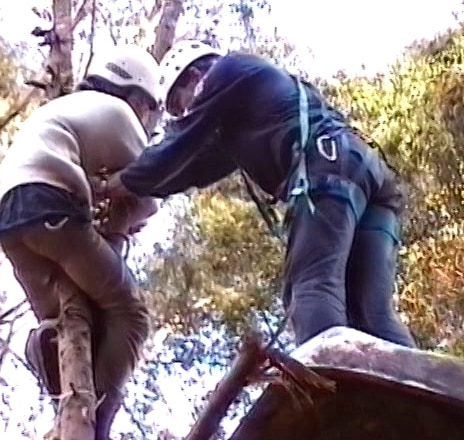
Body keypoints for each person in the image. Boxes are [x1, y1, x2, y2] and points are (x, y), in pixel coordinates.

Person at [97, 40, 417, 348]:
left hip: (329, 168)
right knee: (371, 313)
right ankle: (425, 395)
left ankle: (336, 393)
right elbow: (189, 169)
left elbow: (176, 147)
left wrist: (116, 183)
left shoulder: (226, 70)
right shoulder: (240, 118)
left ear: (194, 77)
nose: (189, 114)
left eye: (183, 105)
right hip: (367, 178)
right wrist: (139, 189)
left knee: (312, 287)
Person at [0, 44, 162, 440]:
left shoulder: (65, 112)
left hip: (13, 222)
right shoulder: (118, 114)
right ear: (137, 96)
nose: (149, 120)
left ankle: (44, 344)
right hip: (53, 208)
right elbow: (149, 192)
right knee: (130, 314)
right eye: (151, 109)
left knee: (66, 321)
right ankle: (97, 425)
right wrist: (120, 217)